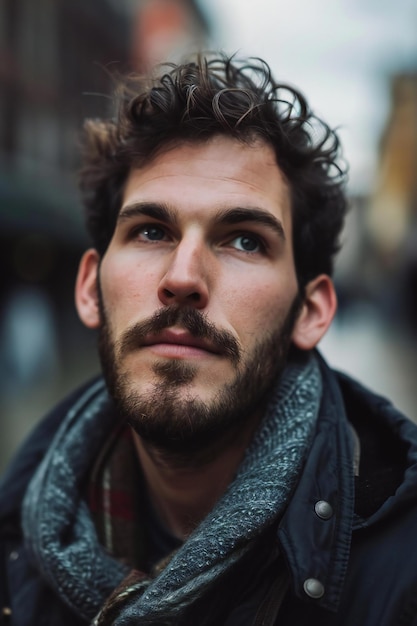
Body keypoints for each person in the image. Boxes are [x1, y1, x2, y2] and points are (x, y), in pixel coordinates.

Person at [1, 53, 417, 626]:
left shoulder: (400, 578)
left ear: (311, 310)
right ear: (91, 289)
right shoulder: (13, 540)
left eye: (244, 241)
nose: (182, 278)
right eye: (151, 231)